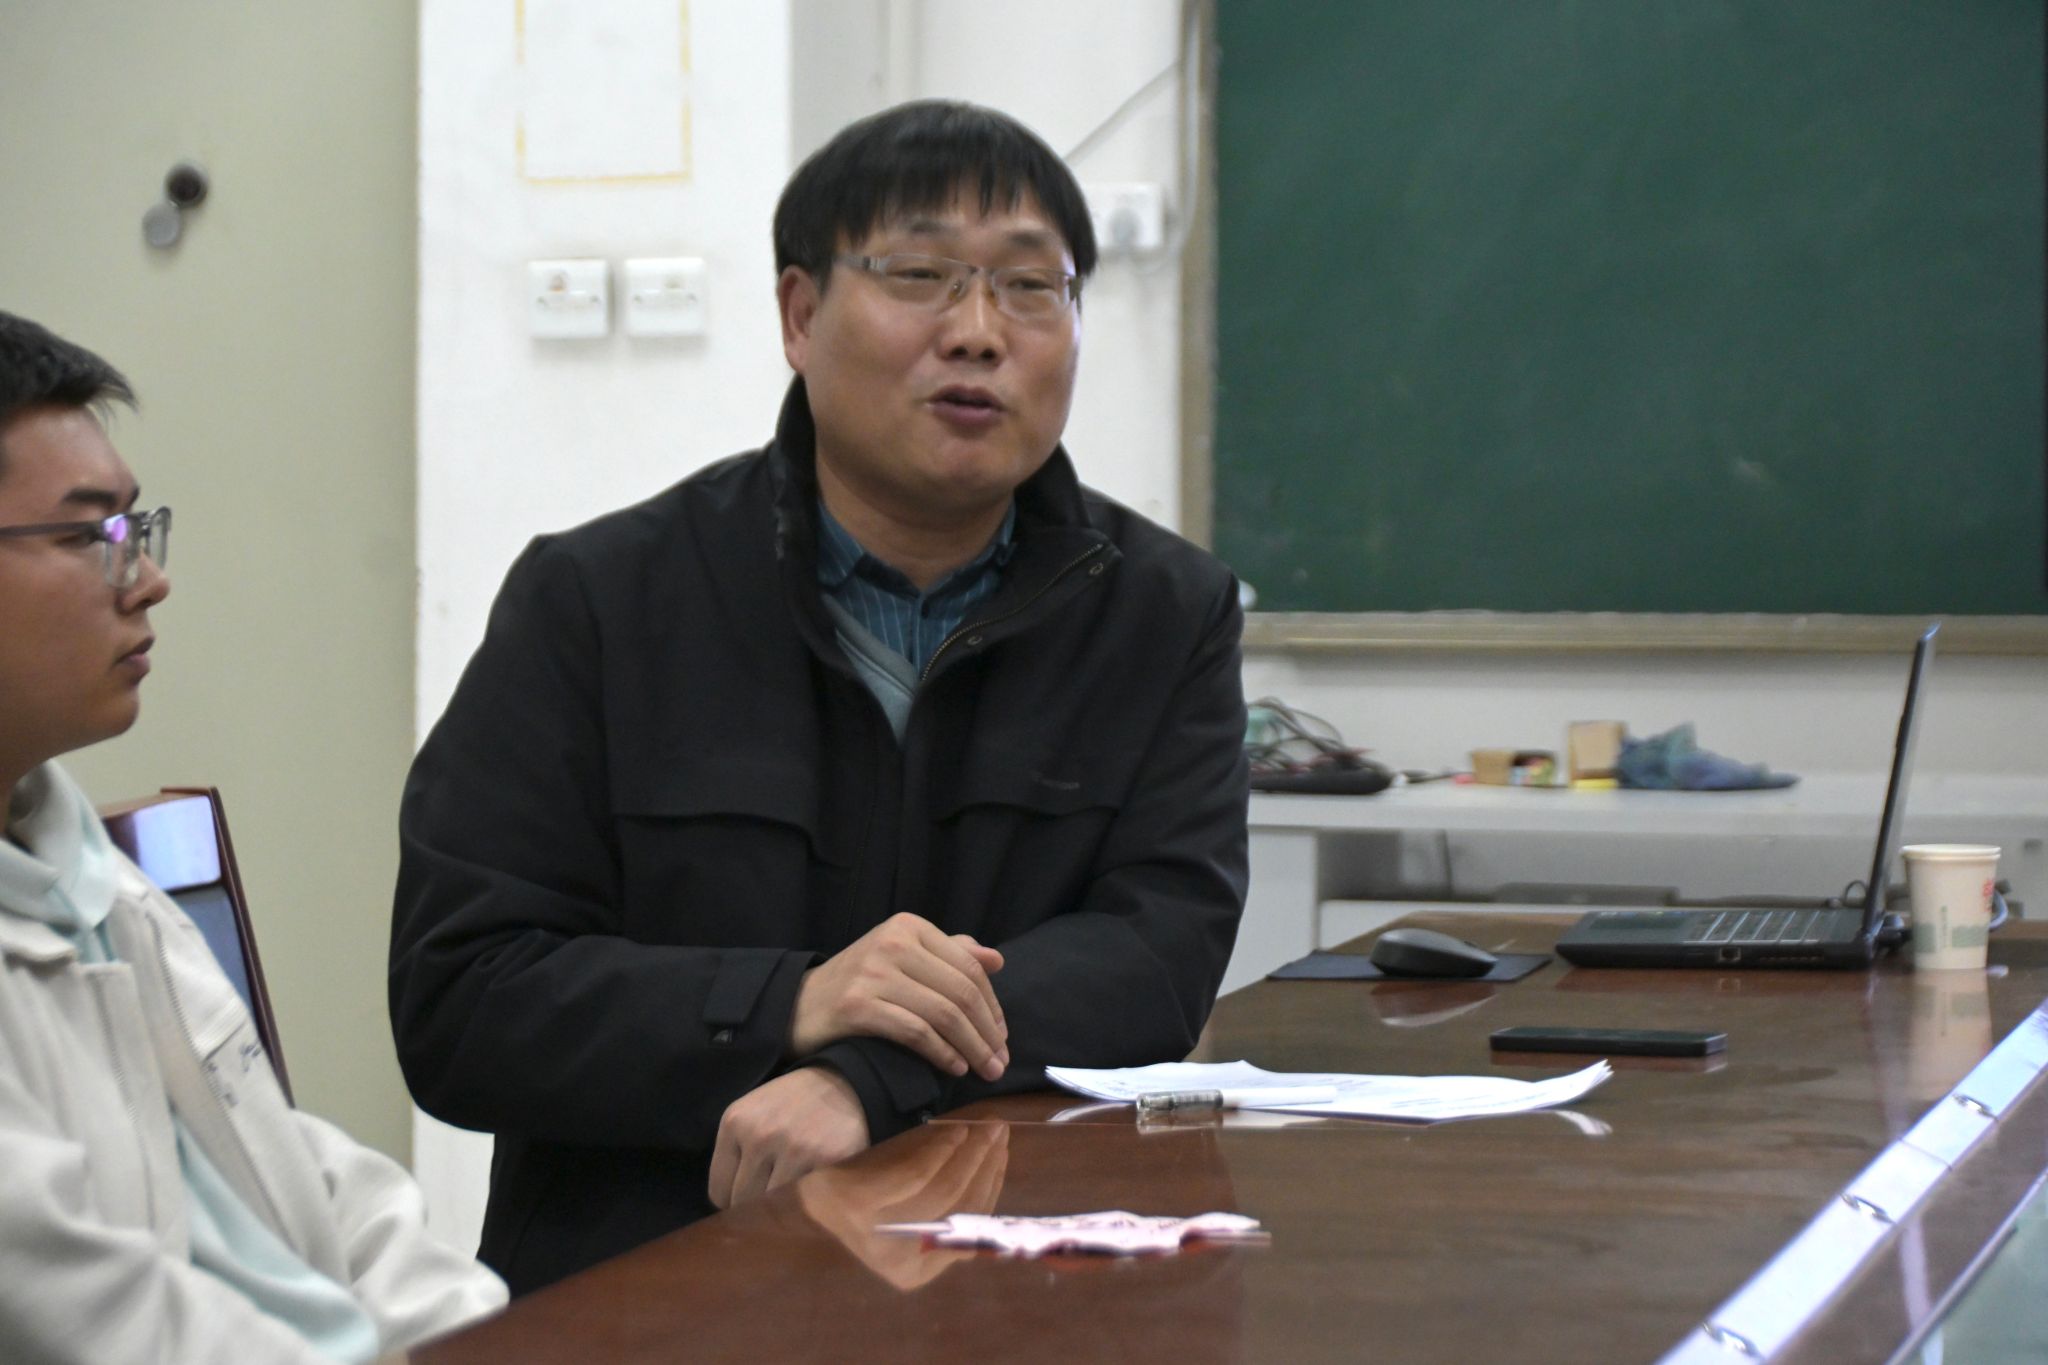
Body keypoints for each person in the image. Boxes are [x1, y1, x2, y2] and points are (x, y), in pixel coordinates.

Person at [389, 99, 1251, 1294]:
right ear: (799, 313)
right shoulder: (597, 601)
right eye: (920, 275)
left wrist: (871, 1076)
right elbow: (463, 1001)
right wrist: (785, 1003)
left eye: (1028, 287)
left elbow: (1156, 959)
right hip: (655, 1290)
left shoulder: (1161, 612)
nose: (977, 333)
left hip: (1023, 1289)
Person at [0, 311, 506, 1363]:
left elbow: (297, 1175)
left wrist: (493, 1340)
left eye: (135, 528)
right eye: (89, 536)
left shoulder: (88, 877)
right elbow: (91, 1319)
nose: (146, 578)